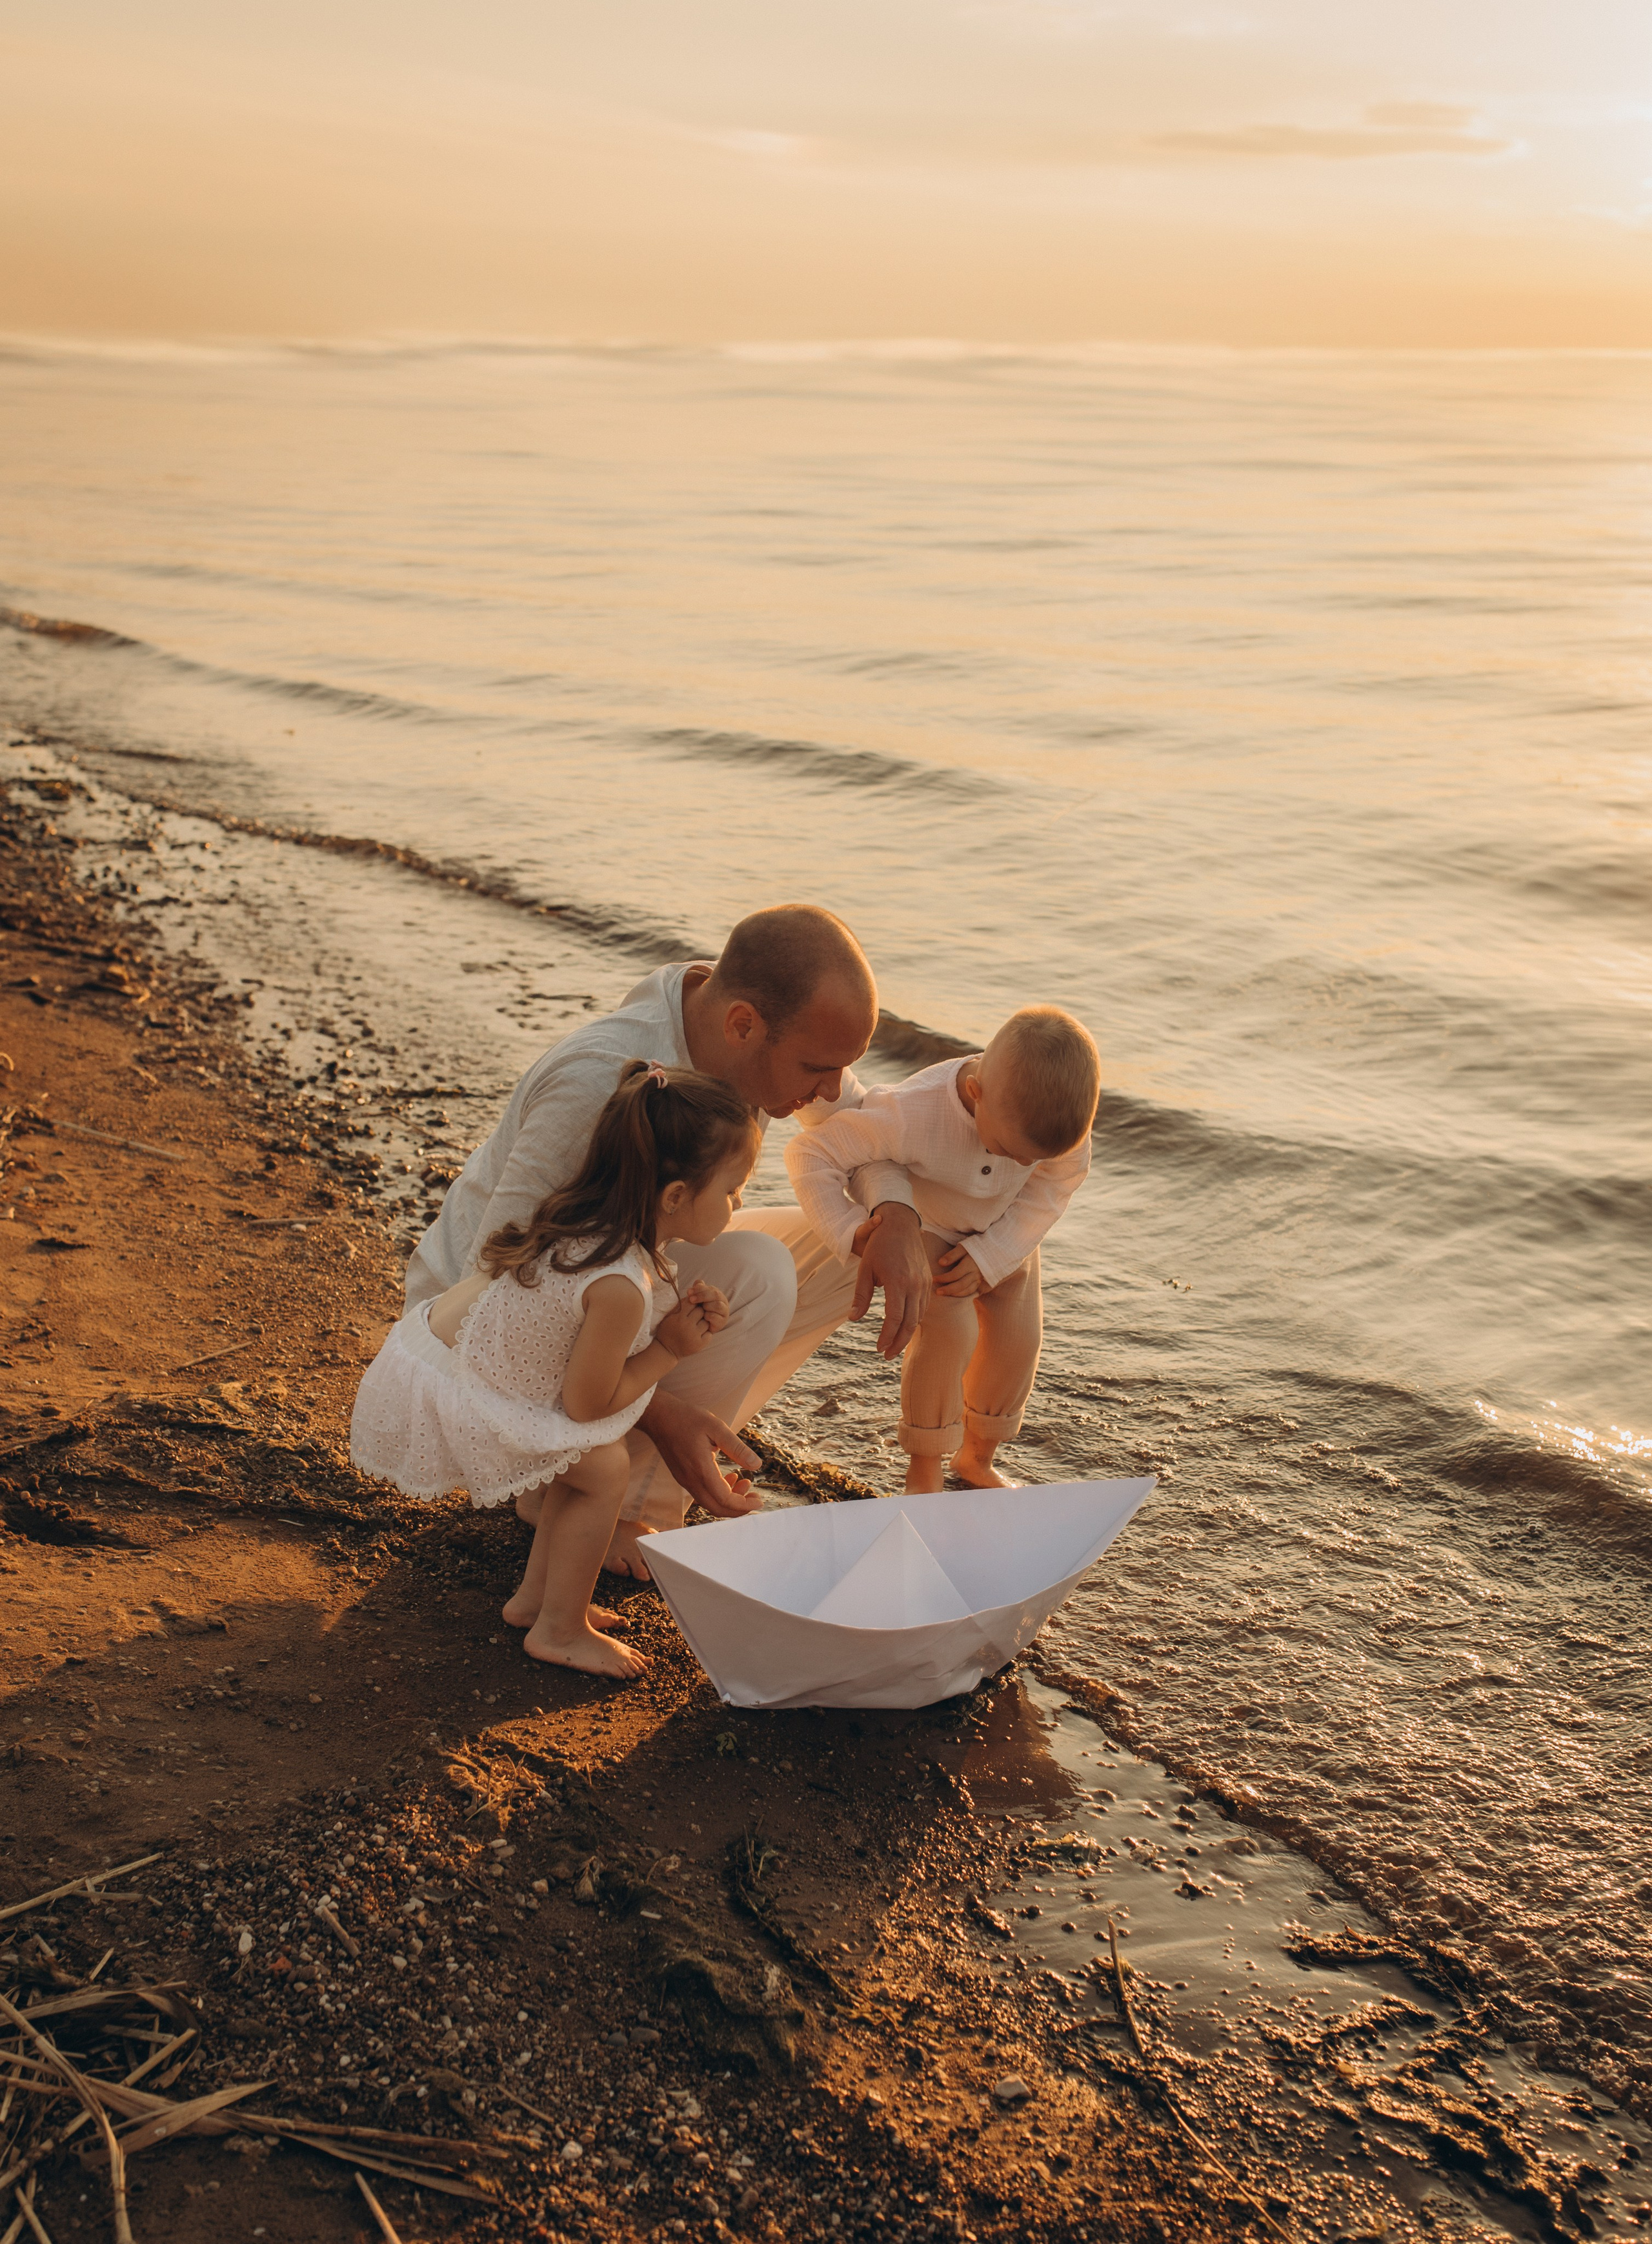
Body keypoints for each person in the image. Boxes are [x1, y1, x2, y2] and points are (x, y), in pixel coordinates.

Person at [401, 905, 932, 1577]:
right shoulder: (597, 1080)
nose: (829, 1089)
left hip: (589, 1285)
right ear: (743, 1024)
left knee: (868, 1241)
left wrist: (898, 1216)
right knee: (760, 1270)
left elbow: (862, 1123)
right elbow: (494, 1287)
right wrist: (658, 1409)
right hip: (463, 1362)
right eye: (816, 1069)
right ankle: (590, 1498)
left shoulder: (723, 1020)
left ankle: (630, 1478)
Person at [351, 1063, 761, 1677]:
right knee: (605, 1467)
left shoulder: (591, 1220)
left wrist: (671, 1328)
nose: (740, 1203)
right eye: (733, 1191)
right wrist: (671, 1349)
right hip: (452, 1385)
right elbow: (586, 1406)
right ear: (675, 1197)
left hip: (439, 1354)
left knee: (590, 1460)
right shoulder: (619, 1280)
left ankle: (538, 1602)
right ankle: (559, 1629)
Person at [785, 1006, 1100, 1495]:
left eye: (1035, 1157)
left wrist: (995, 1254)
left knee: (1018, 1338)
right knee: (947, 1332)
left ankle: (976, 1458)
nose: (1024, 1163)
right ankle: (924, 1469)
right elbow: (813, 1153)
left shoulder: (1054, 1125)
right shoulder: (913, 1112)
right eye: (1010, 1150)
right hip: (929, 1226)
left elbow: (1051, 1190)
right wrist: (852, 1232)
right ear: (976, 1095)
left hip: (1005, 1230)